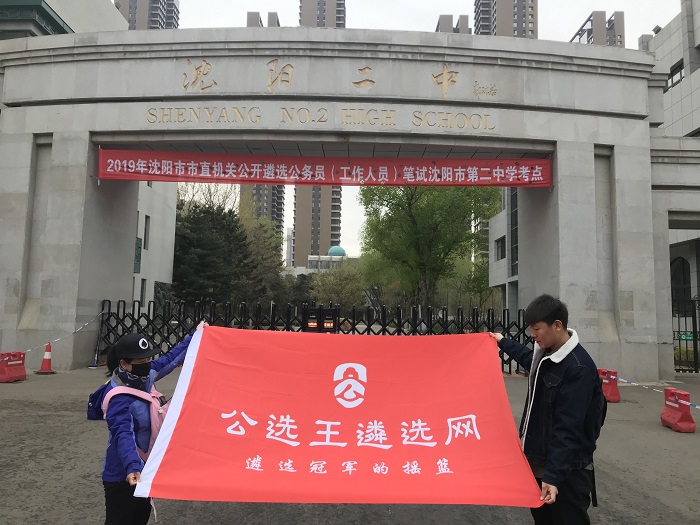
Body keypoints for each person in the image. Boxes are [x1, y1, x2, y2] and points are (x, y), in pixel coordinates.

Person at [489, 294, 604, 525]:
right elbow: (528, 358)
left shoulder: (578, 368)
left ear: (557, 325)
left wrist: (553, 477)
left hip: (567, 471)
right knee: (543, 519)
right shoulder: (547, 354)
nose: (532, 334)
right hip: (541, 462)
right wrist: (502, 341)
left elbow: (568, 428)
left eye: (537, 329)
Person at [97, 322, 206, 525]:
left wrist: (197, 335)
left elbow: (171, 359)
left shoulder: (145, 376)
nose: (147, 364)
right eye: (141, 361)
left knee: (140, 519)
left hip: (146, 470)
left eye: (148, 359)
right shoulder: (117, 397)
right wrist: (132, 466)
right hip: (122, 475)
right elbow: (123, 433)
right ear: (124, 364)